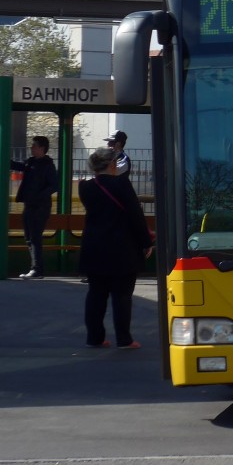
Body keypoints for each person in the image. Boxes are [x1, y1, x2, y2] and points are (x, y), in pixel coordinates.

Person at [78, 147, 153, 349]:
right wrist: (146, 242)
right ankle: (124, 338)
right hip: (122, 248)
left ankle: (94, 337)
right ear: (111, 164)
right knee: (122, 295)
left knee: (96, 294)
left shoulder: (85, 187)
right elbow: (136, 216)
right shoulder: (121, 184)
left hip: (94, 246)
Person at [10, 135, 59, 279]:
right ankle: (36, 268)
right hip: (29, 205)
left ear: (42, 148)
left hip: (40, 207)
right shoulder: (30, 162)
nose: (31, 148)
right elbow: (18, 166)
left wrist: (39, 195)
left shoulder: (48, 165)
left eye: (34, 146)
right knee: (29, 237)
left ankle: (37, 269)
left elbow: (54, 185)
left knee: (35, 237)